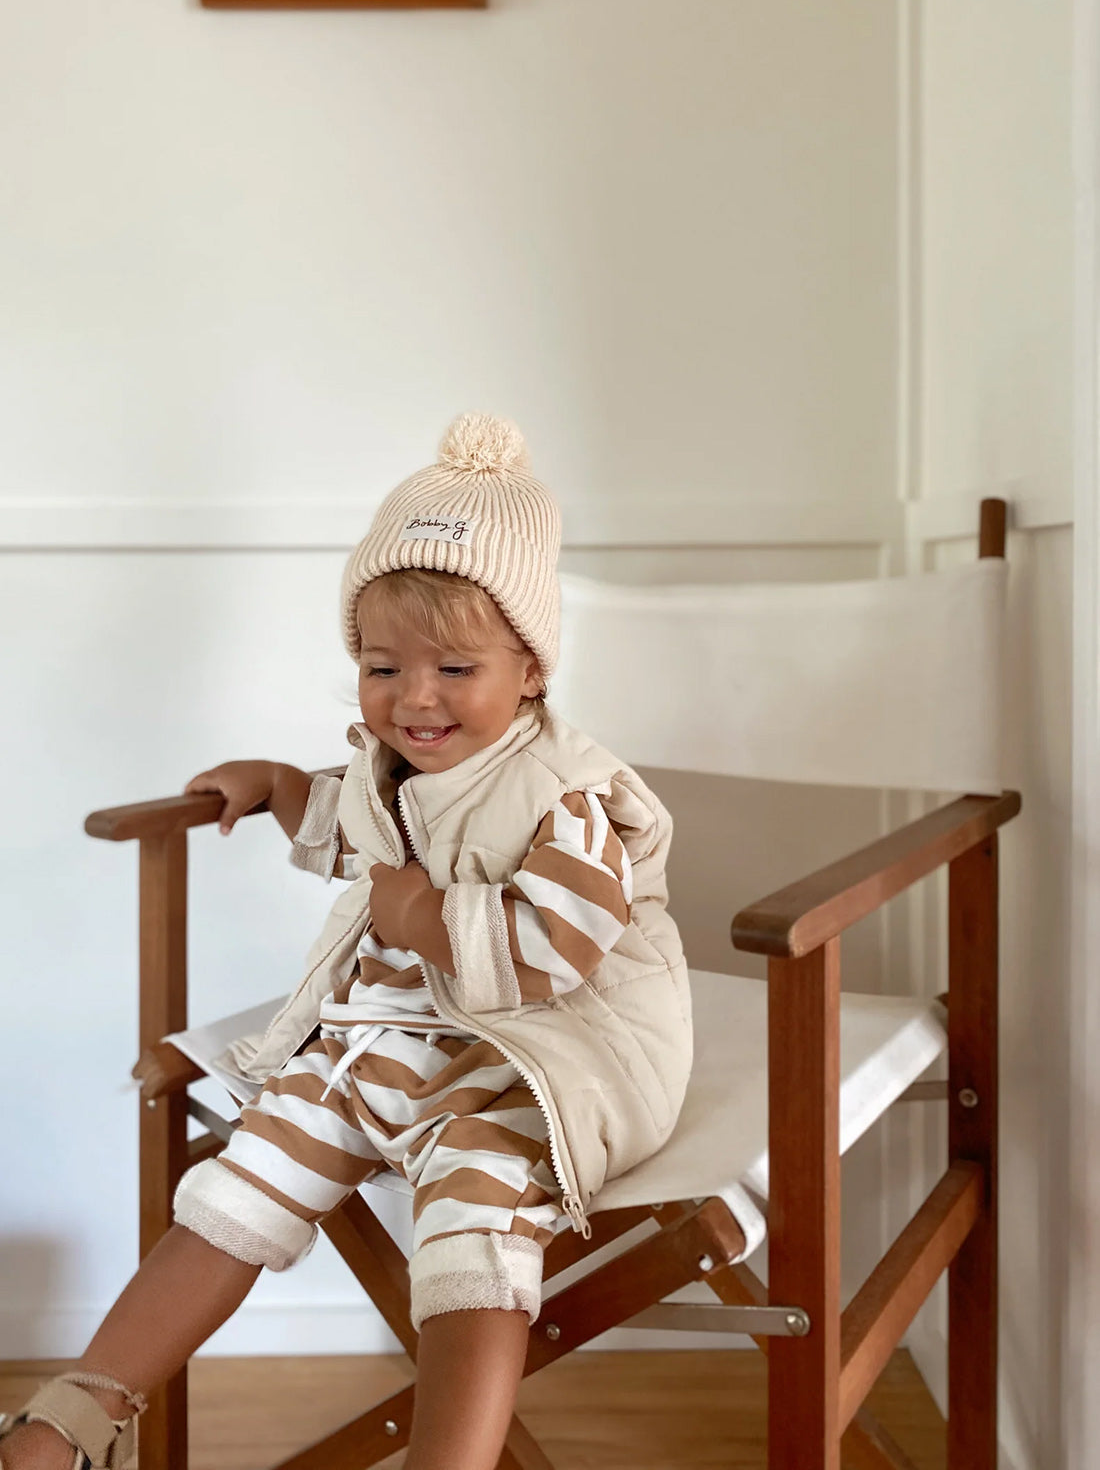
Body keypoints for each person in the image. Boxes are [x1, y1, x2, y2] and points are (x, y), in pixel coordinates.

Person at [0, 414, 693, 1470]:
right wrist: (276, 788)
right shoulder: (389, 763)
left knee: (473, 1205)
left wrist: (425, 919)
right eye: (381, 667)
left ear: (531, 672)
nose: (413, 698)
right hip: (396, 1036)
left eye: (454, 667)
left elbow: (560, 947)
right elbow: (354, 829)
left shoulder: (568, 797)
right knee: (248, 1171)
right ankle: (78, 1413)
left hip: (550, 1051)